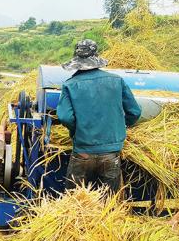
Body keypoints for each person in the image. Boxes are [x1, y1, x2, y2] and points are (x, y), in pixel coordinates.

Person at [56, 39, 141, 193]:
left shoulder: (70, 85)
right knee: (108, 205)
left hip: (82, 154)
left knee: (75, 203)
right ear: (96, 58)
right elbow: (135, 112)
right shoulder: (116, 81)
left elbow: (65, 117)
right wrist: (119, 125)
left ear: (76, 60)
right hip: (111, 154)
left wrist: (79, 130)